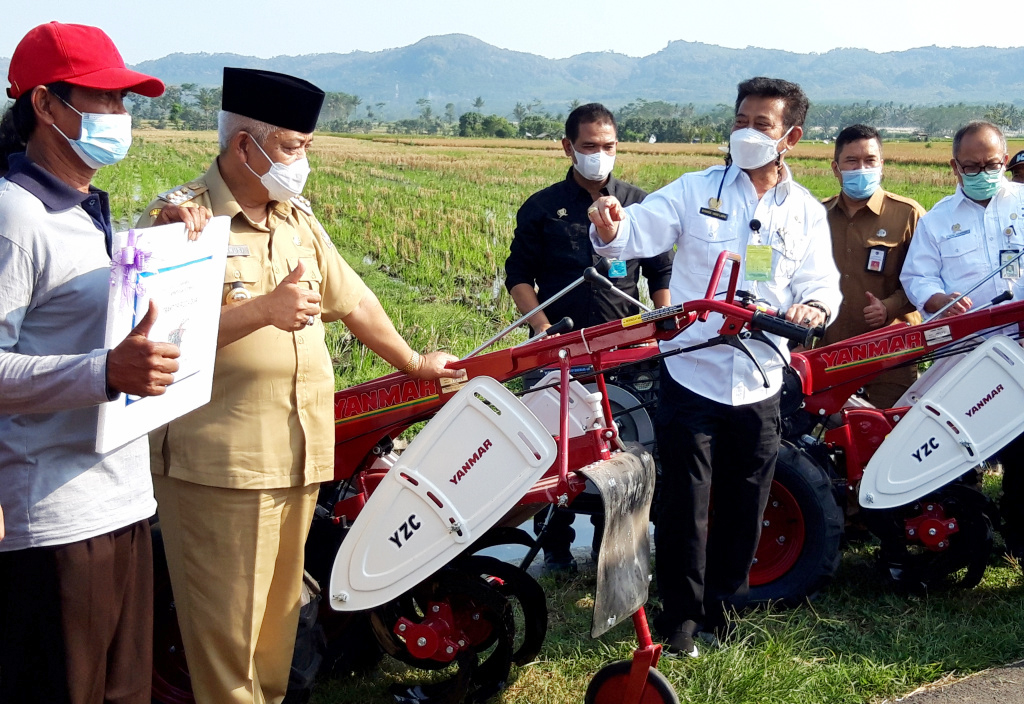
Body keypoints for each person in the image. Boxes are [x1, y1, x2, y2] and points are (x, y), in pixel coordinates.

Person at [137, 67, 462, 704]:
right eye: (291, 148)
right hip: (221, 467)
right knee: (228, 642)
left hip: (297, 457)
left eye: (307, 149)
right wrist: (262, 311)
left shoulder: (296, 220)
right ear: (243, 147)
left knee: (278, 630)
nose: (301, 163)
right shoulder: (182, 221)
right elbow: (155, 347)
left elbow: (356, 301)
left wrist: (413, 362)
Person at [588, 77, 841, 657]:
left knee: (746, 503)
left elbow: (822, 284)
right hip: (692, 372)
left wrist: (814, 306)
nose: (747, 133)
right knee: (684, 505)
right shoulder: (695, 189)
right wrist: (611, 228)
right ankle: (681, 620)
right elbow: (638, 229)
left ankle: (727, 610)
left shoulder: (803, 212)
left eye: (763, 125)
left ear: (791, 137)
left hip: (760, 378)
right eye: (741, 120)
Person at [0, 22, 178, 704]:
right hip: (54, 524)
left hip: (122, 502)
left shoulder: (83, 213)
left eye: (125, 103)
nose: (120, 119)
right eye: (104, 101)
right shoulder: (15, 218)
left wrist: (166, 246)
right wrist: (103, 373)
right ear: (46, 106)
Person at [504, 102, 673, 573]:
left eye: (608, 146)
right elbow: (518, 275)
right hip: (558, 351)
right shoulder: (542, 208)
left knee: (624, 448)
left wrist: (662, 320)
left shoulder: (640, 204)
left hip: (625, 352)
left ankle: (610, 550)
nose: (599, 155)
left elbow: (661, 271)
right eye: (589, 147)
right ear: (568, 148)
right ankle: (555, 547)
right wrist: (541, 331)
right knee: (552, 448)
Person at [901, 121, 1024, 558]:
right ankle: (968, 531)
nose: (983, 172)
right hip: (966, 355)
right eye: (971, 166)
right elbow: (917, 276)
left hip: (1021, 349)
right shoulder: (938, 221)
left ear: (1005, 160)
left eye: (991, 164)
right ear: (955, 167)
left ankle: (1019, 536)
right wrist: (939, 299)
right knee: (962, 441)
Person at [820, 124, 926, 408]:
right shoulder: (818, 216)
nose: (861, 168)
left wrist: (890, 306)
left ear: (882, 166)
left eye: (870, 160)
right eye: (851, 161)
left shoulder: (908, 214)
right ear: (836, 168)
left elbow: (927, 279)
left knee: (888, 436)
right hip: (831, 354)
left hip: (891, 356)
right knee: (829, 438)